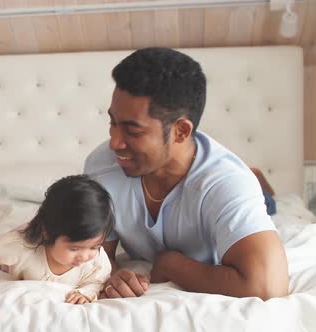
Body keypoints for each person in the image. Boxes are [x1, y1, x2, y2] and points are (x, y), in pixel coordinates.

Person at [84, 47, 288, 300]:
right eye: (113, 122)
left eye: (133, 131)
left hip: (228, 188)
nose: (115, 142)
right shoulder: (101, 167)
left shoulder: (227, 183)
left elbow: (267, 287)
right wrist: (111, 274)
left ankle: (258, 181)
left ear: (181, 131)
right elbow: (95, 255)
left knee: (265, 203)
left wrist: (172, 264)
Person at [0, 175, 113, 304]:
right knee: (2, 254)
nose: (84, 256)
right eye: (74, 249)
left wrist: (86, 292)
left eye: (94, 247)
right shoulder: (20, 246)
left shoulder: (96, 261)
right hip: (19, 248)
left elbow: (97, 281)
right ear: (47, 233)